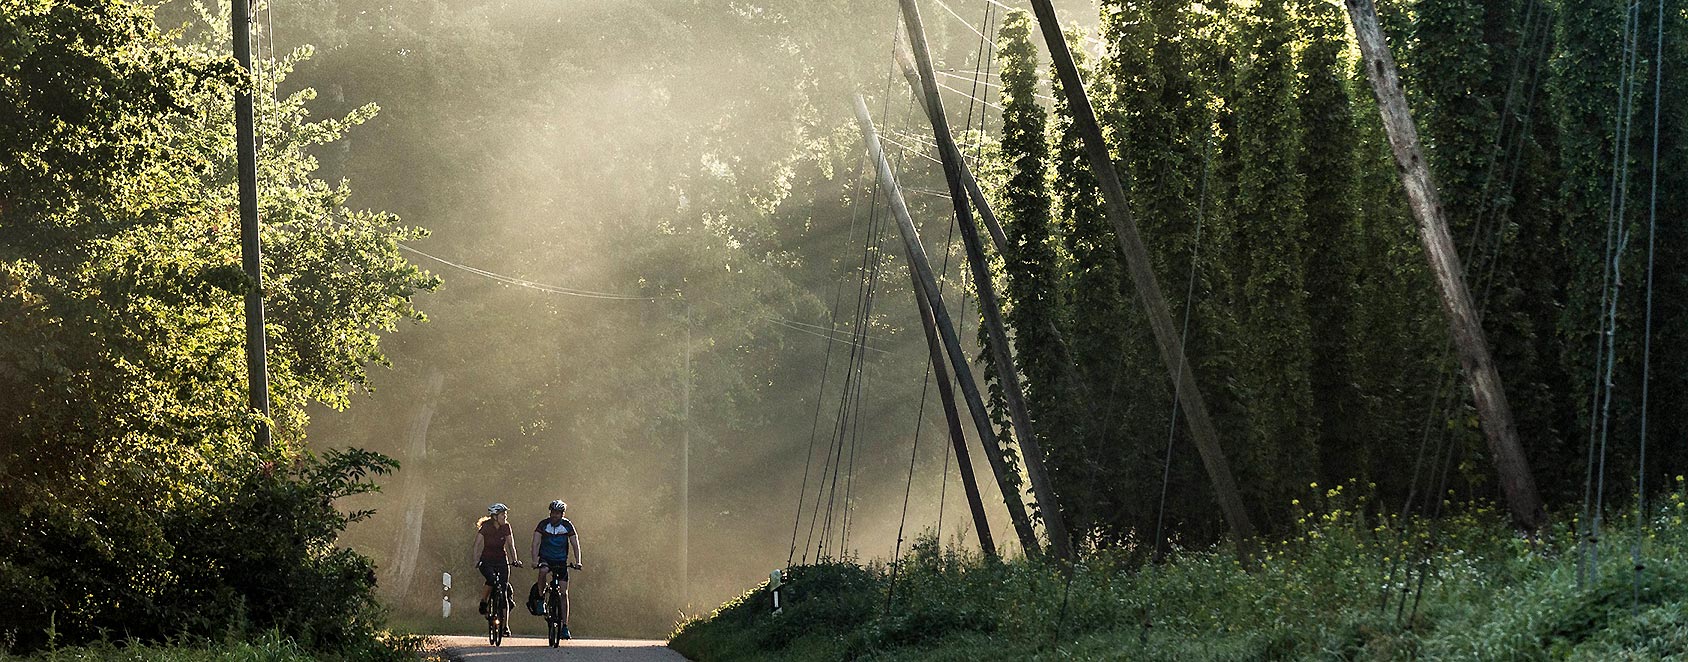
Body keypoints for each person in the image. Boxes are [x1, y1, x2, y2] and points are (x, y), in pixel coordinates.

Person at [531, 499, 581, 639]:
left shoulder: (567, 526)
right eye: (553, 512)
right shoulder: (543, 524)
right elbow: (535, 543)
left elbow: (575, 544)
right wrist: (534, 560)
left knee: (564, 593)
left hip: (561, 560)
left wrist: (578, 561)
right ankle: (541, 598)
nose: (554, 515)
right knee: (543, 571)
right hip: (546, 558)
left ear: (562, 514)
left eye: (557, 513)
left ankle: (565, 626)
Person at [467, 502, 521, 631]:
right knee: (491, 579)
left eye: (505, 515)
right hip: (487, 560)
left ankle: (505, 626)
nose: (505, 517)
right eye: (503, 515)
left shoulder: (506, 527)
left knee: (503, 590)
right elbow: (477, 544)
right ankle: (484, 601)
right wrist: (476, 560)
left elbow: (511, 545)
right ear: (495, 516)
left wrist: (515, 560)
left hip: (501, 560)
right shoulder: (486, 527)